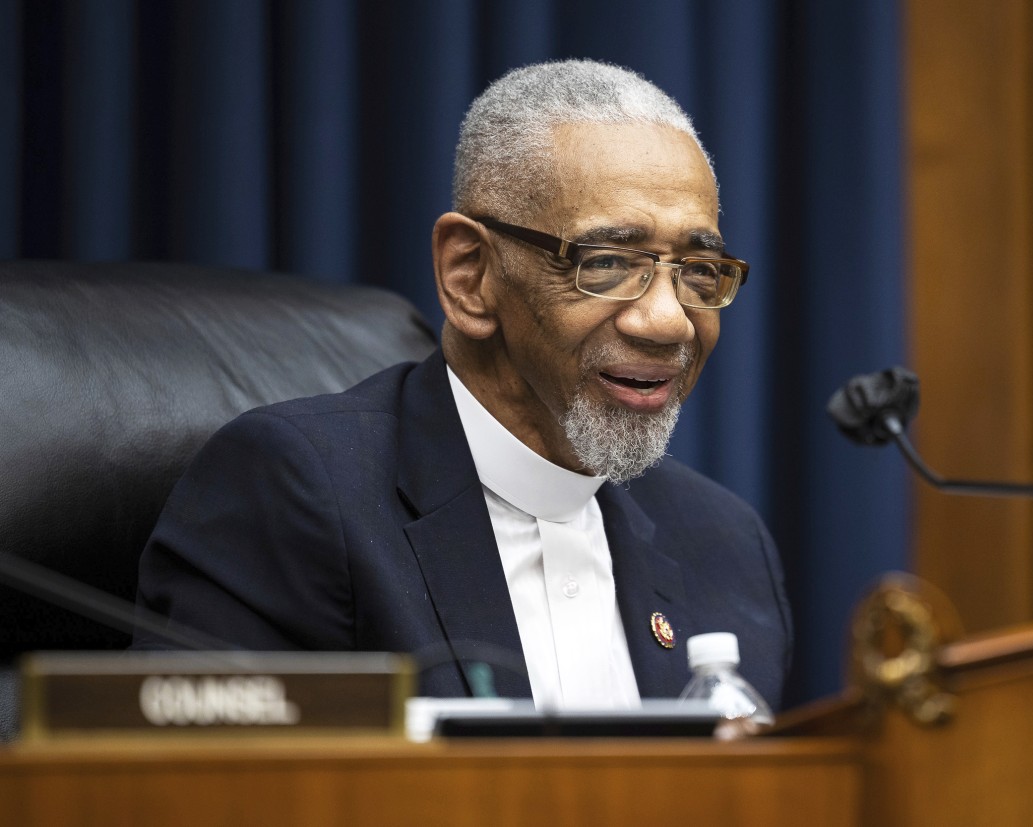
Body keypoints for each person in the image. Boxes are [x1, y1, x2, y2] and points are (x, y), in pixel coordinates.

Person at [134, 59, 792, 712]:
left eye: (700, 269)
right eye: (609, 262)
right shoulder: (295, 495)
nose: (670, 321)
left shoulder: (724, 542)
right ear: (469, 276)